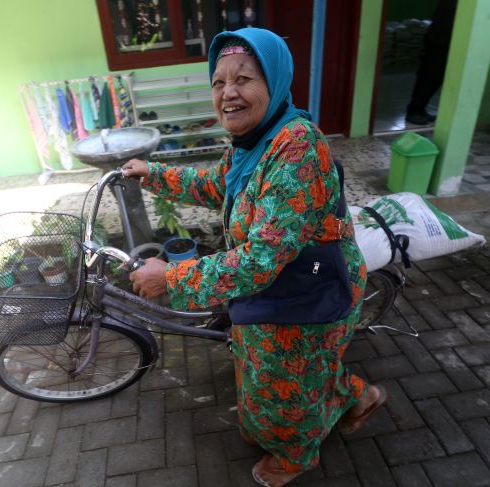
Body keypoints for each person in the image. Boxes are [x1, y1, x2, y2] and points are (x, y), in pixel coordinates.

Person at [122, 28, 387, 487]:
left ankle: (296, 455)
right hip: (275, 288)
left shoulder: (297, 148)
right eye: (218, 82)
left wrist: (174, 277)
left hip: (307, 291)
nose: (228, 93)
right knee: (295, 376)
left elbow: (261, 258)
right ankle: (360, 397)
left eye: (243, 79)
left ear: (275, 81)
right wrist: (154, 174)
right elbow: (214, 186)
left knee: (285, 389)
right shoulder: (253, 143)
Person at [406, 0, 458, 125]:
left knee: (435, 78)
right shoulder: (450, 4)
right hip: (438, 42)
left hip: (443, 41)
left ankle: (420, 108)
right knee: (428, 77)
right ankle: (414, 111)